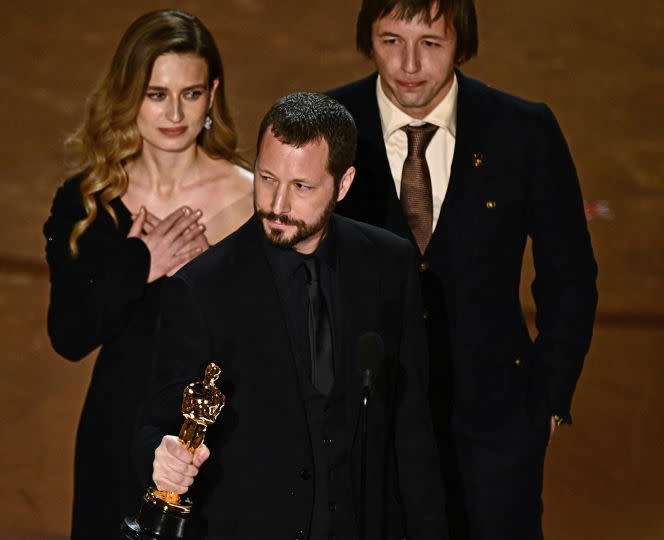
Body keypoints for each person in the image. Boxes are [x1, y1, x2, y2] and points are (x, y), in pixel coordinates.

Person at [325, 1, 599, 538]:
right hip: (361, 427)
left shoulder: (525, 130)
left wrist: (545, 401)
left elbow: (569, 277)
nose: (408, 64)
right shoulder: (329, 124)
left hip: (496, 432)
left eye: (430, 43)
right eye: (390, 41)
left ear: (462, 41)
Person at [135, 92, 447, 539]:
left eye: (301, 186)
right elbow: (155, 426)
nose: (277, 203)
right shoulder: (202, 289)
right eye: (266, 178)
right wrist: (161, 457)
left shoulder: (388, 266)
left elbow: (412, 424)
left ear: (343, 184)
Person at [42, 9, 253, 537]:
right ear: (129, 94)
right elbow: (68, 335)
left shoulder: (254, 198)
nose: (175, 113)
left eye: (191, 93)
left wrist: (211, 276)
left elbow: (274, 337)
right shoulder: (91, 200)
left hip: (221, 443)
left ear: (213, 94)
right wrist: (142, 264)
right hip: (118, 428)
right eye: (157, 94)